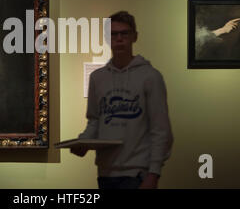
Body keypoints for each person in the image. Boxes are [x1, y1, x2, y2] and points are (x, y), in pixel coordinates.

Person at [71, 11, 173, 189]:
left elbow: (161, 130)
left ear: (134, 36)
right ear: (107, 38)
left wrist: (153, 174)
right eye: (113, 34)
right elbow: (94, 121)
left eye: (124, 33)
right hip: (105, 173)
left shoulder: (150, 77)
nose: (119, 38)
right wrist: (83, 142)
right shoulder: (97, 78)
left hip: (136, 174)